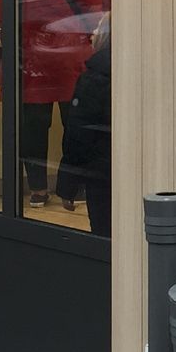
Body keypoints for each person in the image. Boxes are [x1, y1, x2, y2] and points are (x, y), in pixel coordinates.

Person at [1, 0, 104, 210]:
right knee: (73, 126)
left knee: (33, 128)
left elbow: (1, 13)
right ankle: (70, 188)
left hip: (31, 61)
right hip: (68, 60)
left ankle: (36, 190)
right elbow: (92, 10)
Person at [59, 13, 112, 237]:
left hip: (101, 174)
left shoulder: (94, 77)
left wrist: (67, 184)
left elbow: (78, 135)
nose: (91, 36)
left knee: (103, 235)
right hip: (134, 171)